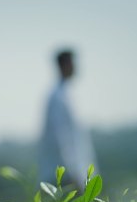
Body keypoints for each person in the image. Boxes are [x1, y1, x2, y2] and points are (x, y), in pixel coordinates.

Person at [38, 49, 97, 190]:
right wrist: (74, 173)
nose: (76, 67)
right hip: (65, 176)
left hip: (73, 174)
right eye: (73, 63)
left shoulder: (66, 95)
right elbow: (61, 139)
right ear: (64, 65)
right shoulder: (57, 97)